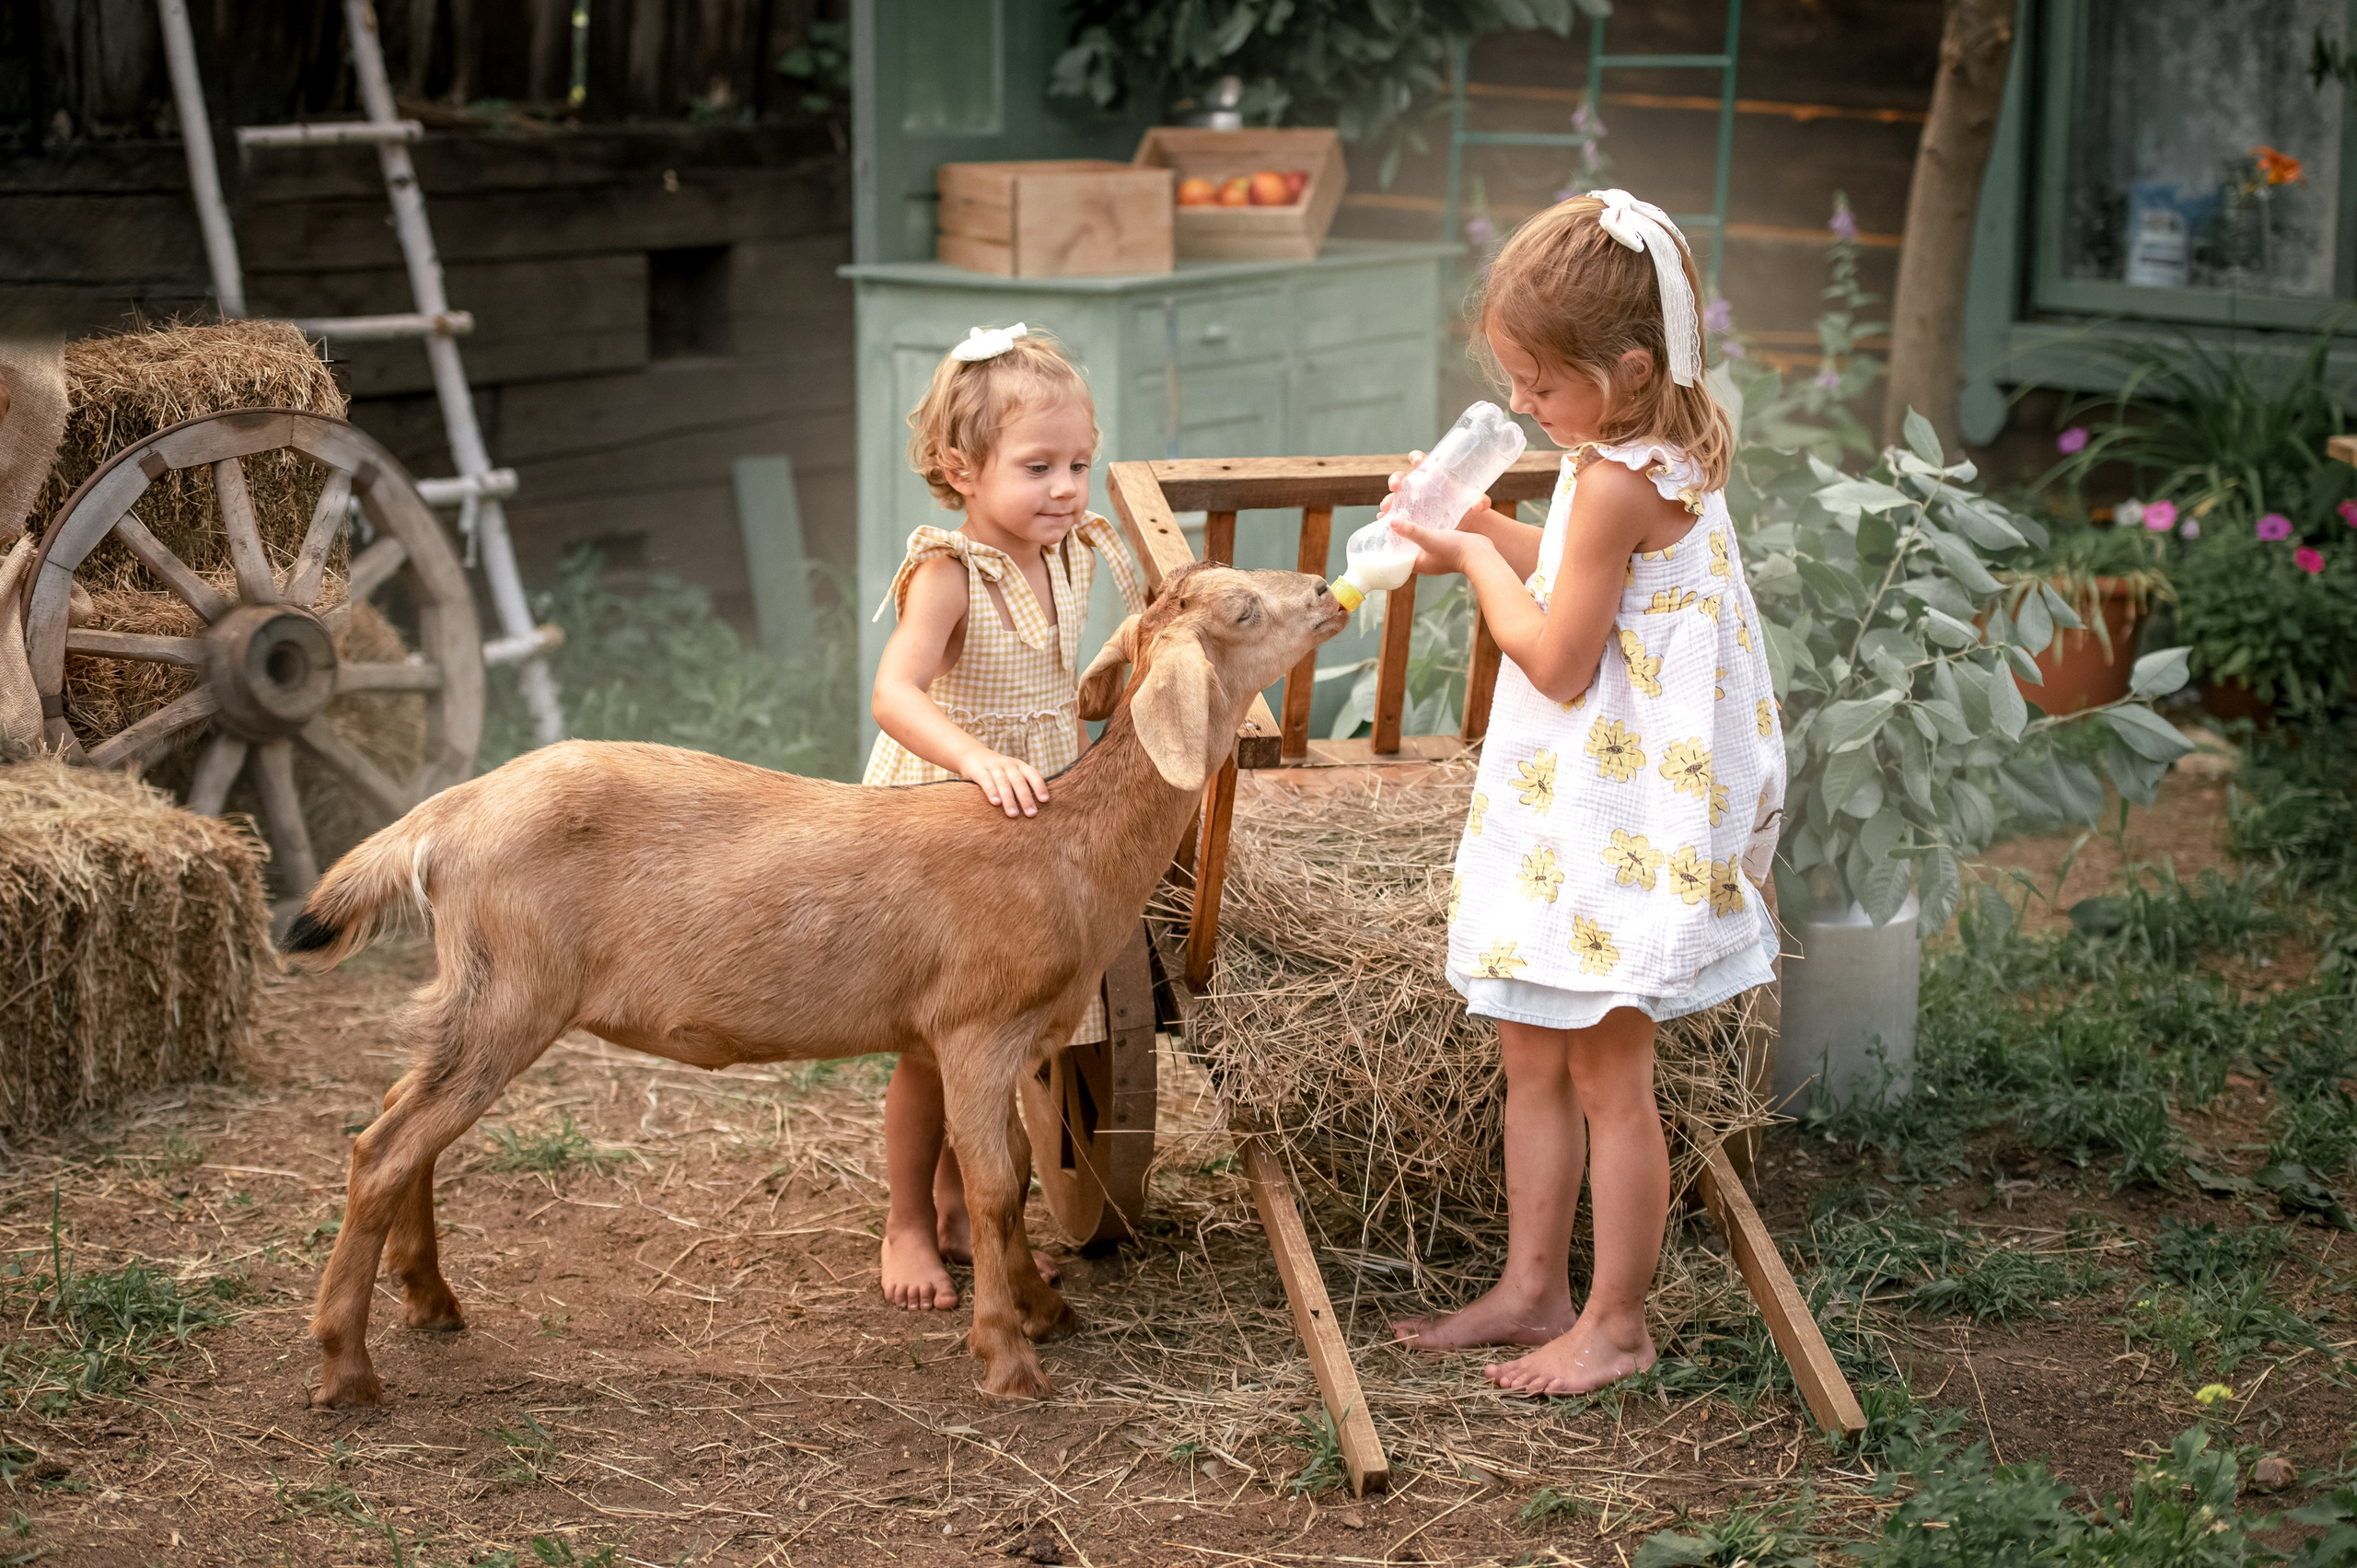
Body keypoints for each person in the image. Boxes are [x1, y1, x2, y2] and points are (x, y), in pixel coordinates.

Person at [1387, 191, 1785, 1396]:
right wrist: (1485, 522)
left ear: (1628, 367)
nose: (1520, 403)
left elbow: (1557, 657)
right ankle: (1531, 1285)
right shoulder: (1622, 453)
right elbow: (1575, 579)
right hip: (1572, 813)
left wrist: (1462, 559)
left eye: (1540, 383)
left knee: (1612, 1078)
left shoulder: (1615, 478)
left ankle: (1615, 1320)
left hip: (1617, 821)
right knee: (1533, 1054)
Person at [865, 321, 1144, 1311]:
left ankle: (958, 1200)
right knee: (927, 1038)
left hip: (1035, 819)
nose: (1066, 487)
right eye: (1038, 466)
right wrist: (977, 758)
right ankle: (906, 1218)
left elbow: (1053, 676)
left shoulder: (1065, 554)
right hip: (944, 818)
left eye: (1078, 462)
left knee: (1001, 1029)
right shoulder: (950, 569)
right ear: (959, 467)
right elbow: (895, 693)